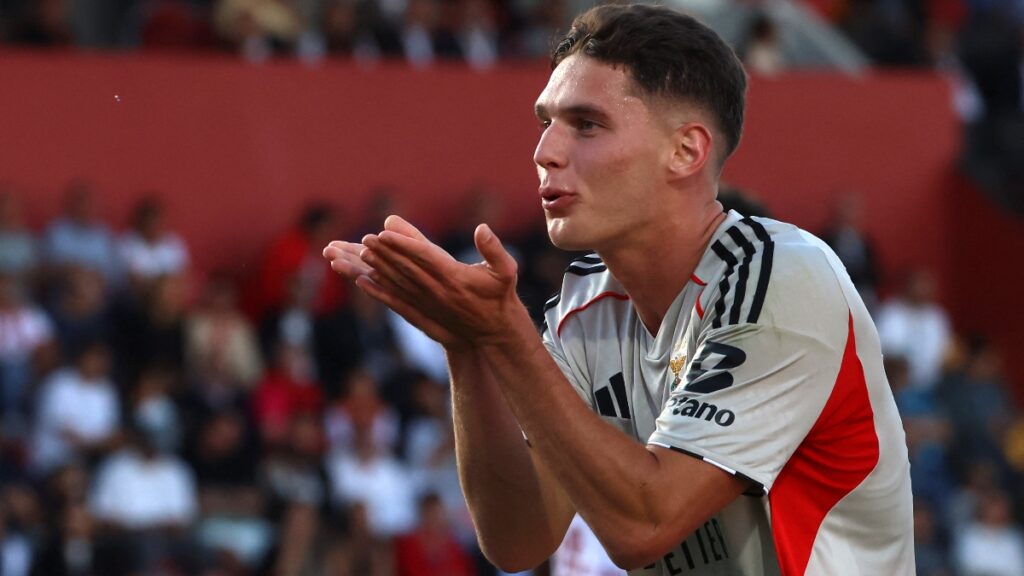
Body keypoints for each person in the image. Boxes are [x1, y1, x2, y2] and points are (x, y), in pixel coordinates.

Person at [323, 4, 914, 575]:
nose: (544, 153)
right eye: (545, 123)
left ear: (685, 151)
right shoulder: (586, 309)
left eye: (586, 124)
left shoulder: (782, 278)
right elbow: (517, 539)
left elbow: (645, 526)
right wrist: (468, 350)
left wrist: (505, 336)